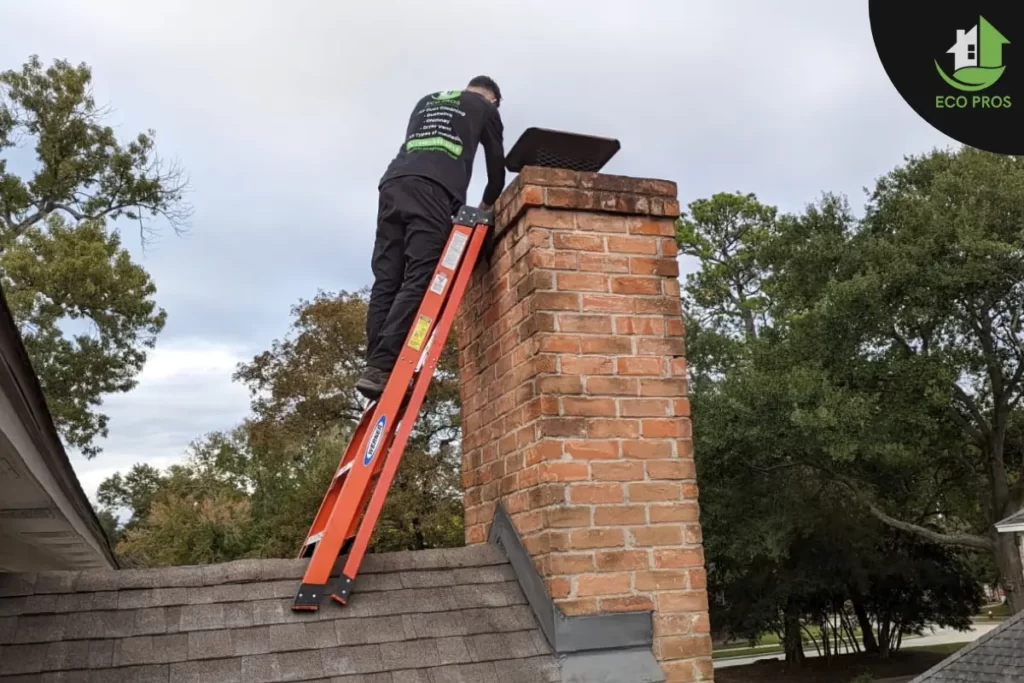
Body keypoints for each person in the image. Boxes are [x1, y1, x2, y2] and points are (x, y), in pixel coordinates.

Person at [356, 76, 506, 401]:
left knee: (387, 279)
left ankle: (375, 368)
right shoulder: (486, 108)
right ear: (493, 100)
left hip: (393, 185)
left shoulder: (427, 100)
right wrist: (484, 208)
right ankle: (385, 365)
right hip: (433, 189)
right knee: (423, 275)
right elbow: (497, 172)